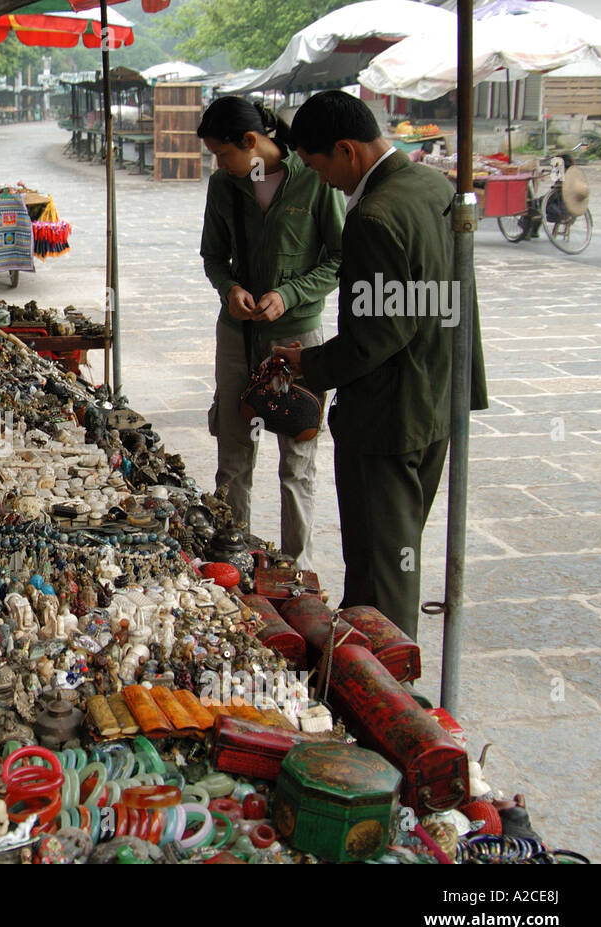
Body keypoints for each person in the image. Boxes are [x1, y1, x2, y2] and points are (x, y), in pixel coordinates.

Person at [274, 90, 488, 641]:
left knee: (382, 562)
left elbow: (377, 334)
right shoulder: (432, 187)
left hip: (390, 412)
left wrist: (308, 364)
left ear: (346, 150)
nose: (322, 180)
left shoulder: (372, 215)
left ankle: (389, 687)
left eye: (320, 165)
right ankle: (371, 651)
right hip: (438, 396)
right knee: (400, 545)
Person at [198, 97, 345, 570]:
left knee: (297, 459)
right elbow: (213, 257)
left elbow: (339, 259)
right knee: (233, 450)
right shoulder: (224, 187)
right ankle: (232, 557)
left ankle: (294, 568)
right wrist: (231, 288)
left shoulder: (315, 179)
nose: (219, 165)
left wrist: (291, 294)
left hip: (298, 341)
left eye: (223, 154)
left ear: (251, 141)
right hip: (238, 337)